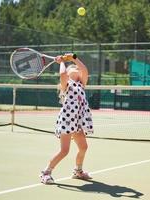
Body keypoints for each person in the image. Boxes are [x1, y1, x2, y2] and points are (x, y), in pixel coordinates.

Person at [40, 53, 94, 184]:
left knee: (83, 147)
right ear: (69, 73)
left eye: (76, 68)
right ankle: (46, 172)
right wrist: (62, 62)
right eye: (73, 68)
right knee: (64, 151)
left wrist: (74, 59)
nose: (76, 68)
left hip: (78, 121)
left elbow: (84, 70)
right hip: (67, 121)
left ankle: (78, 171)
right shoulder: (66, 85)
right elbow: (62, 75)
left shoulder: (81, 84)